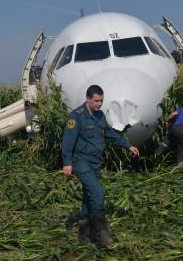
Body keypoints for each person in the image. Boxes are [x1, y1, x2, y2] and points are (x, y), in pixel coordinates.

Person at [62, 85, 139, 247]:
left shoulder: (100, 115)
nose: (99, 104)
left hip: (95, 162)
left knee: (89, 196)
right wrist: (67, 163)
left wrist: (127, 145)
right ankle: (101, 232)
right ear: (88, 99)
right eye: (96, 100)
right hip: (81, 162)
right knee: (98, 192)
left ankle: (83, 236)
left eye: (101, 101)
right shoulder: (76, 116)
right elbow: (68, 141)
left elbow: (109, 134)